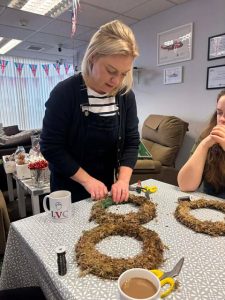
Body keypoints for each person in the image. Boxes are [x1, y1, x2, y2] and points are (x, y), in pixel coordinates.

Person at [40, 20, 140, 203]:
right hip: (67, 192)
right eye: (111, 71)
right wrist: (88, 181)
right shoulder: (64, 93)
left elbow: (132, 142)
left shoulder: (126, 96)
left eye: (123, 74)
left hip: (107, 189)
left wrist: (123, 181)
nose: (116, 81)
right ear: (92, 57)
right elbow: (51, 146)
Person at [178, 89, 225, 198]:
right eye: (219, 113)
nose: (222, 119)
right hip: (211, 208)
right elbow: (185, 185)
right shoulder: (207, 136)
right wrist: (204, 145)